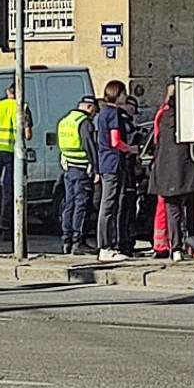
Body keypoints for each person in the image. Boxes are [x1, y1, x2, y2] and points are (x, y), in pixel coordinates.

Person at [148, 87, 194, 262]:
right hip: (188, 169)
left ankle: (175, 248)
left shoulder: (163, 116)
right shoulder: (191, 118)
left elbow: (156, 140)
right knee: (193, 209)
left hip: (166, 170)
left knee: (172, 211)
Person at [0, 84, 33, 242]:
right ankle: (7, 229)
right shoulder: (22, 107)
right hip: (13, 154)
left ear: (7, 92)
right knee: (9, 191)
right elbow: (28, 135)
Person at [96, 80, 137, 262]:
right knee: (110, 206)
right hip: (113, 163)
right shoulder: (113, 114)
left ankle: (106, 245)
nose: (126, 96)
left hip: (105, 162)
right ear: (117, 94)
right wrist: (131, 149)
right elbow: (115, 141)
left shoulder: (102, 112)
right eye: (124, 93)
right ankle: (106, 247)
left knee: (107, 206)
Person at [58, 96, 100, 255]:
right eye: (94, 112)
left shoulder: (65, 120)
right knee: (81, 204)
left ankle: (66, 240)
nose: (94, 115)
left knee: (69, 203)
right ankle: (78, 241)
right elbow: (89, 146)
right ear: (89, 107)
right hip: (82, 168)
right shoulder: (84, 122)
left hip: (68, 168)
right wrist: (96, 168)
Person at [151, 84, 175, 258]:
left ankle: (162, 243)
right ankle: (164, 244)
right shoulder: (169, 115)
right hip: (170, 165)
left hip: (163, 164)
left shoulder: (162, 113)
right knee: (169, 206)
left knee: (164, 206)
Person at [117, 95, 140, 256]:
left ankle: (125, 241)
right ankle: (125, 242)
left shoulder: (120, 120)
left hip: (123, 168)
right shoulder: (124, 123)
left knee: (123, 207)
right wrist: (135, 148)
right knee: (125, 208)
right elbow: (122, 143)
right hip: (125, 169)